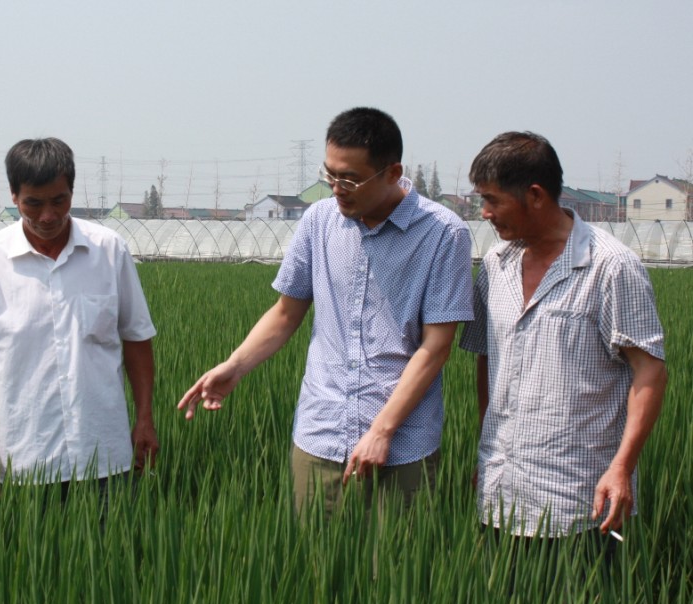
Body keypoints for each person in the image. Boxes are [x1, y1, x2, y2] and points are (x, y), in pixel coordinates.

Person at [179, 108, 474, 516]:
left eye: (350, 178)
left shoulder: (444, 233)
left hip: (402, 445)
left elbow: (436, 346)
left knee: (393, 573)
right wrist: (235, 366)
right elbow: (286, 313)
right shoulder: (319, 222)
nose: (337, 188)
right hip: (321, 433)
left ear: (392, 172)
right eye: (330, 175)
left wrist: (382, 430)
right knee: (314, 571)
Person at [459, 132, 667, 549]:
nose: (484, 213)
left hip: (579, 499)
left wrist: (622, 467)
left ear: (535, 195)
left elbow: (650, 372)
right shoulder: (496, 267)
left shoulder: (611, 267)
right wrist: (486, 445)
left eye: (493, 200)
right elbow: (487, 358)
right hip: (500, 487)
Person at [0, 137, 158, 497]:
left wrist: (145, 419)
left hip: (105, 455)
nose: (47, 215)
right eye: (33, 203)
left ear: (72, 191)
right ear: (13, 196)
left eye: (59, 201)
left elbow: (136, 339)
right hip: (22, 461)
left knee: (111, 552)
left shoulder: (109, 250)